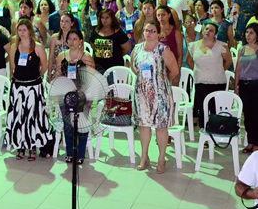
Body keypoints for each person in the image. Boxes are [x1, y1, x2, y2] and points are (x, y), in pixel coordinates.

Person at [132, 20, 179, 173]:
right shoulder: (137, 48)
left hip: (160, 94)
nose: (149, 33)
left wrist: (161, 82)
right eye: (146, 30)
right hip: (141, 94)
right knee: (144, 126)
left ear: (158, 33)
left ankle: (161, 159)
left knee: (160, 126)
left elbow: (174, 70)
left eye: (152, 30)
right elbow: (133, 67)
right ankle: (144, 157)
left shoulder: (163, 49)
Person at [1, 18, 51, 160]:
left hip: (34, 87)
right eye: (19, 30)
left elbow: (45, 65)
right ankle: (20, 146)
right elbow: (13, 67)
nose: (21, 33)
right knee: (19, 117)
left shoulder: (38, 47)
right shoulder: (13, 47)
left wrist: (37, 77)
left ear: (29, 30)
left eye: (24, 30)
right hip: (18, 87)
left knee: (33, 117)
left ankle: (33, 146)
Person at [53, 29, 95, 164]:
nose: (71, 42)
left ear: (81, 41)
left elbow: (92, 78)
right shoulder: (61, 56)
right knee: (68, 125)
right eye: (69, 39)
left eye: (75, 39)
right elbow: (58, 74)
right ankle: (70, 153)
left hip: (83, 96)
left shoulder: (86, 56)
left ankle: (81, 154)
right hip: (65, 95)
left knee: (82, 126)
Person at [187, 21, 232, 128]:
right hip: (200, 82)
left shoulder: (222, 46)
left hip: (217, 82)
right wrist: (199, 70)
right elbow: (189, 61)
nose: (208, 32)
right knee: (202, 109)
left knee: (214, 109)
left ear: (215, 34)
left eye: (211, 30)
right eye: (206, 29)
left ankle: (215, 131)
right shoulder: (193, 45)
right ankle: (204, 133)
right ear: (202, 31)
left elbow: (228, 61)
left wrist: (218, 70)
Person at [236, 24, 258, 152]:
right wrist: (237, 85)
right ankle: (250, 142)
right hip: (244, 85)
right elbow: (238, 69)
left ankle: (256, 142)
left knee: (256, 114)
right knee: (248, 115)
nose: (248, 35)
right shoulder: (242, 49)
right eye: (247, 32)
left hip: (256, 84)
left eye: (251, 33)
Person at [89, 9, 131, 74]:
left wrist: (117, 55)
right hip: (98, 66)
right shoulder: (96, 30)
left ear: (112, 18)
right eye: (102, 18)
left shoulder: (118, 32)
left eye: (107, 17)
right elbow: (92, 44)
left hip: (114, 67)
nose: (104, 20)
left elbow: (127, 48)